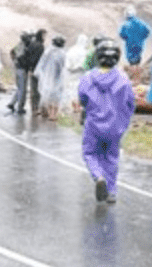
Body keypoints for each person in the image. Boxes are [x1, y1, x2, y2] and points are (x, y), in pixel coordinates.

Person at [77, 40, 136, 204]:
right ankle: (111, 191)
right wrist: (122, 121)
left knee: (90, 153)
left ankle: (98, 176)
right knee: (111, 157)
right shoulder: (123, 79)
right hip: (115, 126)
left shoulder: (88, 78)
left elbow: (82, 99)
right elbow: (131, 103)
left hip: (94, 124)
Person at [33, 35, 67, 120]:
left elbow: (41, 64)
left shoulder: (48, 51)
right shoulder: (62, 53)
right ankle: (53, 115)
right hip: (58, 77)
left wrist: (40, 74)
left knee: (48, 95)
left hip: (47, 77)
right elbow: (65, 67)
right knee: (56, 97)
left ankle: (47, 112)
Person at [7, 32, 34, 114]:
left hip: (17, 68)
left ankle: (12, 103)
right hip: (22, 70)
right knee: (22, 90)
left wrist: (14, 61)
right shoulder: (26, 47)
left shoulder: (19, 45)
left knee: (19, 88)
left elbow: (12, 52)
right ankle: (20, 107)